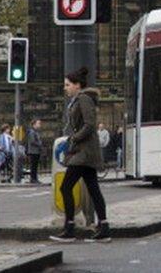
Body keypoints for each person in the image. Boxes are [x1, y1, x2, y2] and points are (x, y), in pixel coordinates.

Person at [51, 67, 110, 243]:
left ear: (77, 85)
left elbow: (90, 124)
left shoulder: (84, 99)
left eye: (68, 85)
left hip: (83, 152)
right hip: (83, 152)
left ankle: (70, 228)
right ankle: (104, 227)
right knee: (93, 189)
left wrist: (73, 139)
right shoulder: (78, 99)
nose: (65, 88)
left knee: (66, 187)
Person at [26, 119, 44, 184]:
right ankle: (33, 179)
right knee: (33, 166)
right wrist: (39, 144)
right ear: (34, 124)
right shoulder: (32, 132)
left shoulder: (35, 132)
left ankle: (35, 178)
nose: (39, 125)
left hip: (36, 151)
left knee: (35, 166)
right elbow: (32, 141)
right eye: (38, 123)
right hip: (33, 151)